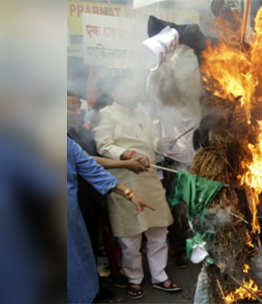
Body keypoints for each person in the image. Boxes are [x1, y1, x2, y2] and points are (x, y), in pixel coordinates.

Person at [93, 73, 180, 299]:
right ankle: (134, 278)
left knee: (159, 229)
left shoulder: (142, 113)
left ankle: (159, 276)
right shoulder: (106, 114)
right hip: (125, 177)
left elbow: (151, 145)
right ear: (115, 92)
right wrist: (126, 155)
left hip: (149, 177)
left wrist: (162, 144)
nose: (133, 92)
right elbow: (103, 145)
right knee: (130, 234)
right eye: (128, 88)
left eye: (134, 88)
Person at [67, 91, 147, 292]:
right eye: (70, 108)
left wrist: (128, 192)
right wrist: (125, 162)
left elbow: (88, 164)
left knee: (83, 249)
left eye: (78, 108)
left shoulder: (70, 139)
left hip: (78, 206)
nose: (76, 113)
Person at [67, 137, 153, 304]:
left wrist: (130, 194)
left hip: (70, 225)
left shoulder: (66, 144)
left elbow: (92, 168)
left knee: (76, 271)